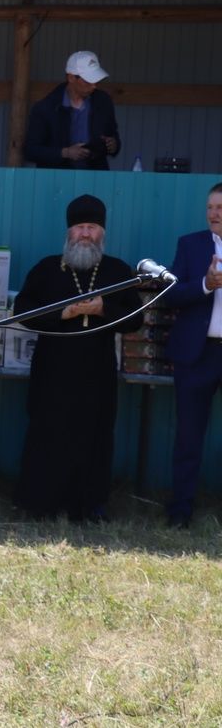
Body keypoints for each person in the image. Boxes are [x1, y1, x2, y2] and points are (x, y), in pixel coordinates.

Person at [12, 195, 143, 522]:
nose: (85, 234)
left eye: (92, 227)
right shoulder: (46, 268)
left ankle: (89, 507)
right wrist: (64, 313)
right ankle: (39, 504)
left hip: (97, 372)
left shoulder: (117, 271)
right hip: (52, 371)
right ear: (69, 232)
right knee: (48, 435)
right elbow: (22, 313)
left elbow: (135, 319)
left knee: (95, 438)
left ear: (102, 233)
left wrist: (103, 309)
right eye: (80, 227)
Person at [162, 182, 222, 528]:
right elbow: (172, 294)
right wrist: (205, 284)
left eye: (220, 207)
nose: (213, 213)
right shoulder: (190, 244)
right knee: (188, 437)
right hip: (197, 356)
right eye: (210, 207)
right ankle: (180, 512)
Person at [25, 51, 121, 170]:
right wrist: (65, 153)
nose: (94, 85)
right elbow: (30, 150)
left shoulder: (103, 101)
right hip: (57, 181)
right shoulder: (46, 108)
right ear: (71, 78)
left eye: (96, 80)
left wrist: (114, 145)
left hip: (96, 179)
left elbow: (113, 134)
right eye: (88, 80)